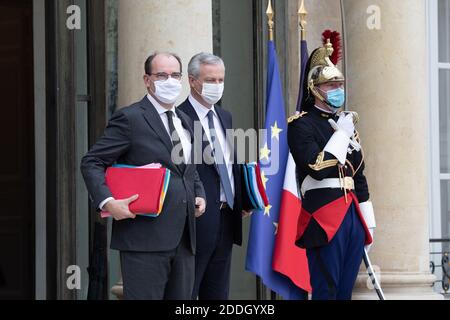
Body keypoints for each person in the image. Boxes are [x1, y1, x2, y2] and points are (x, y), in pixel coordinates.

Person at [81, 52, 206, 300]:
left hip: (184, 240)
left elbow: (189, 171)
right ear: (147, 80)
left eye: (174, 75)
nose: (169, 81)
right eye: (161, 75)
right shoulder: (130, 118)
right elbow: (92, 161)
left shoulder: (185, 121)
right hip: (144, 241)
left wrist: (200, 195)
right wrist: (108, 202)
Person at [287, 40, 376, 300]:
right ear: (315, 88)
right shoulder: (301, 125)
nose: (338, 90)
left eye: (340, 85)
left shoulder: (344, 123)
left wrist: (368, 220)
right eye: (331, 85)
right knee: (327, 290)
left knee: (345, 291)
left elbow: (358, 174)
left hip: (352, 215)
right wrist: (341, 136)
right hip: (324, 216)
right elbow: (317, 167)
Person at [178, 52, 251, 300]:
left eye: (221, 80)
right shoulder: (178, 118)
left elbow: (227, 163)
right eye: (211, 80)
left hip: (227, 215)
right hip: (196, 219)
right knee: (187, 290)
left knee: (218, 293)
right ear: (192, 81)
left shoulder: (224, 116)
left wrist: (242, 197)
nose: (217, 86)